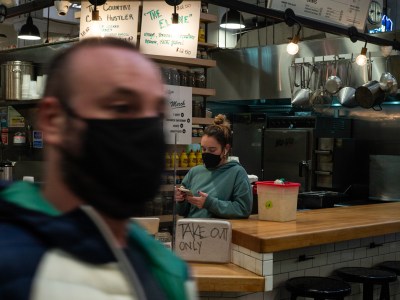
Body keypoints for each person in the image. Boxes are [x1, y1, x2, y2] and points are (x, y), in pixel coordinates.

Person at [0, 37, 197, 300]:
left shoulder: (168, 271)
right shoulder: (11, 262)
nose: (148, 129)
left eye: (158, 115)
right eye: (122, 107)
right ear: (53, 120)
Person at [175, 114, 253, 219]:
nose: (206, 153)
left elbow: (243, 209)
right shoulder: (194, 172)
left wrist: (210, 203)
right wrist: (180, 200)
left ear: (226, 149)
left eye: (212, 150)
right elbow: (182, 211)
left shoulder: (237, 173)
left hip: (218, 232)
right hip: (192, 231)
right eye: (203, 149)